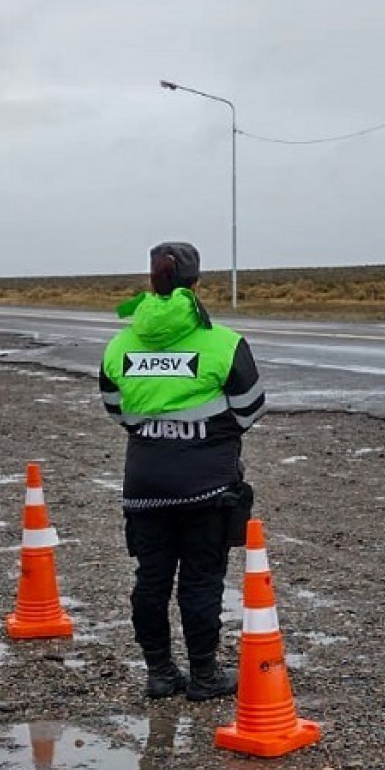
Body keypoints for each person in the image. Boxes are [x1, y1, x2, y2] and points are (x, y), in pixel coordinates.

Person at [99, 241, 265, 701]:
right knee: (201, 580)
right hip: (207, 487)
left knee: (151, 580)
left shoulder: (119, 345)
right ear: (196, 283)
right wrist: (203, 434)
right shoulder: (224, 343)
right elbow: (251, 409)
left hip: (144, 484)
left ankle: (159, 673)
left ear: (151, 281)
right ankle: (205, 675)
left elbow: (115, 409)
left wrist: (156, 429)